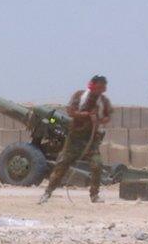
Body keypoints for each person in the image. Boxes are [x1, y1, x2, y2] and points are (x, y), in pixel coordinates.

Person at [39, 75, 112, 204]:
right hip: (74, 140)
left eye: (103, 87)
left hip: (91, 141)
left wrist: (98, 120)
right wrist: (85, 115)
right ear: (93, 86)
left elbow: (107, 117)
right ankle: (47, 193)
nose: (102, 90)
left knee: (97, 165)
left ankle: (94, 195)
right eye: (99, 87)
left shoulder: (103, 102)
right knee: (61, 165)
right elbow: (70, 111)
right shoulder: (79, 96)